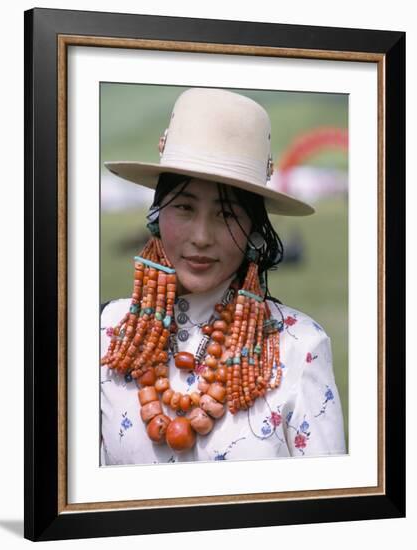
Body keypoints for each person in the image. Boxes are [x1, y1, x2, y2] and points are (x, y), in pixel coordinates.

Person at [100, 87, 346, 465]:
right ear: (155, 215)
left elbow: (329, 511)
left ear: (254, 229)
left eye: (227, 213)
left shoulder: (300, 347)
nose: (201, 236)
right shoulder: (104, 336)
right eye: (183, 206)